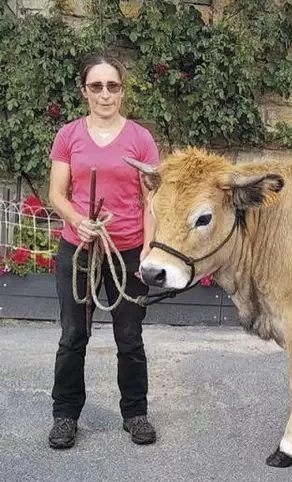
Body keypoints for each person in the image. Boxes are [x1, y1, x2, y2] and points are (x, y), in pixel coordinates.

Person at [47, 52, 160, 448]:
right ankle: (65, 416)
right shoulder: (69, 135)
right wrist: (78, 220)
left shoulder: (140, 139)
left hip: (126, 249)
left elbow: (151, 200)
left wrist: (148, 247)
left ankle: (135, 413)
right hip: (79, 247)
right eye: (97, 86)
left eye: (112, 86)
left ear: (122, 91)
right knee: (73, 335)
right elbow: (57, 194)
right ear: (85, 92)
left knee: (129, 336)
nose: (105, 94)